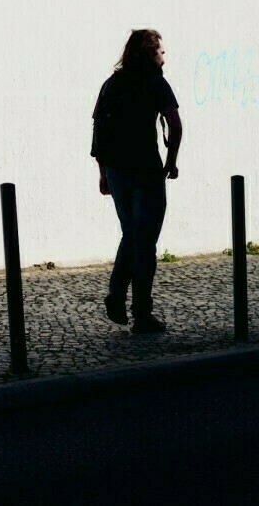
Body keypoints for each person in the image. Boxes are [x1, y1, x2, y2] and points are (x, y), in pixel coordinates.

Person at [91, 29, 182, 334]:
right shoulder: (155, 82)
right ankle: (141, 313)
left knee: (131, 234)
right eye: (161, 51)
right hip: (145, 170)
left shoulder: (111, 84)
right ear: (148, 53)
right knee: (145, 242)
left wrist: (103, 173)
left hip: (117, 170)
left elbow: (99, 133)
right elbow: (175, 122)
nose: (164, 56)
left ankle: (117, 296)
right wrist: (171, 161)